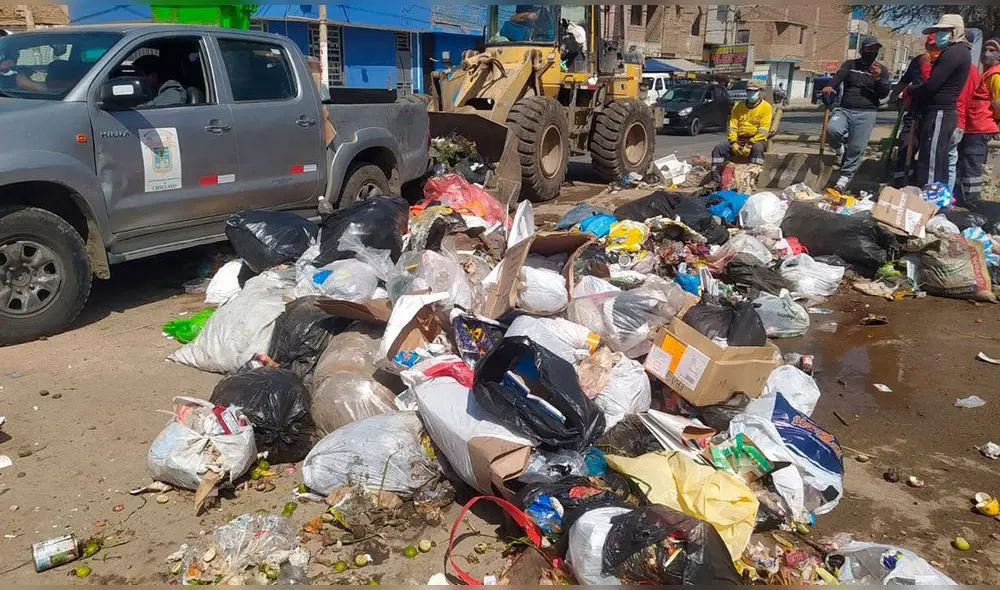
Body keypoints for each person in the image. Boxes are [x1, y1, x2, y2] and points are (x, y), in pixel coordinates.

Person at [908, 14, 972, 187]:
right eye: (938, 31)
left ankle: (929, 198)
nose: (939, 35)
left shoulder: (953, 53)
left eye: (944, 31)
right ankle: (935, 198)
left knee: (932, 159)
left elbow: (931, 85)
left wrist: (912, 90)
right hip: (942, 112)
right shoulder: (959, 53)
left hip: (941, 112)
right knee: (938, 158)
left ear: (955, 31)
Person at [822, 35, 891, 193]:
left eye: (875, 49)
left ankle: (844, 178)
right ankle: (840, 151)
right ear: (862, 50)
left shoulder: (881, 70)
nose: (872, 51)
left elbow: (883, 93)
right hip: (845, 109)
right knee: (832, 129)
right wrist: (830, 86)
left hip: (867, 112)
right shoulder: (850, 64)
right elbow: (838, 77)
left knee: (857, 147)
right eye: (869, 48)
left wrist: (878, 78)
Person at [955, 36, 1000, 206]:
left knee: (972, 164)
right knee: (965, 163)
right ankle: (960, 198)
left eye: (992, 50)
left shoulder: (995, 75)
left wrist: (995, 120)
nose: (987, 54)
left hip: (981, 126)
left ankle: (972, 202)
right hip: (974, 126)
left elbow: (997, 103)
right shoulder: (987, 73)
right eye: (985, 50)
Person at [889, 37, 937, 187]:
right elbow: (905, 80)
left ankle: (921, 183)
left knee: (927, 151)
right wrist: (894, 95)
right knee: (905, 146)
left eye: (934, 45)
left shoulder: (943, 62)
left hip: (931, 113)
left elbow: (931, 85)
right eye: (929, 45)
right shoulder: (917, 61)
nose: (931, 48)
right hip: (913, 111)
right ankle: (901, 182)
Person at [708, 79, 772, 187]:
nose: (751, 93)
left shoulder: (766, 107)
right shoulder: (738, 106)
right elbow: (733, 126)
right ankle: (716, 179)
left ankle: (752, 180)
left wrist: (750, 144)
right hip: (739, 139)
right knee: (718, 148)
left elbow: (763, 130)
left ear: (760, 92)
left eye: (754, 91)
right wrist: (733, 142)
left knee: (758, 149)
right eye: (749, 91)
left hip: (756, 140)